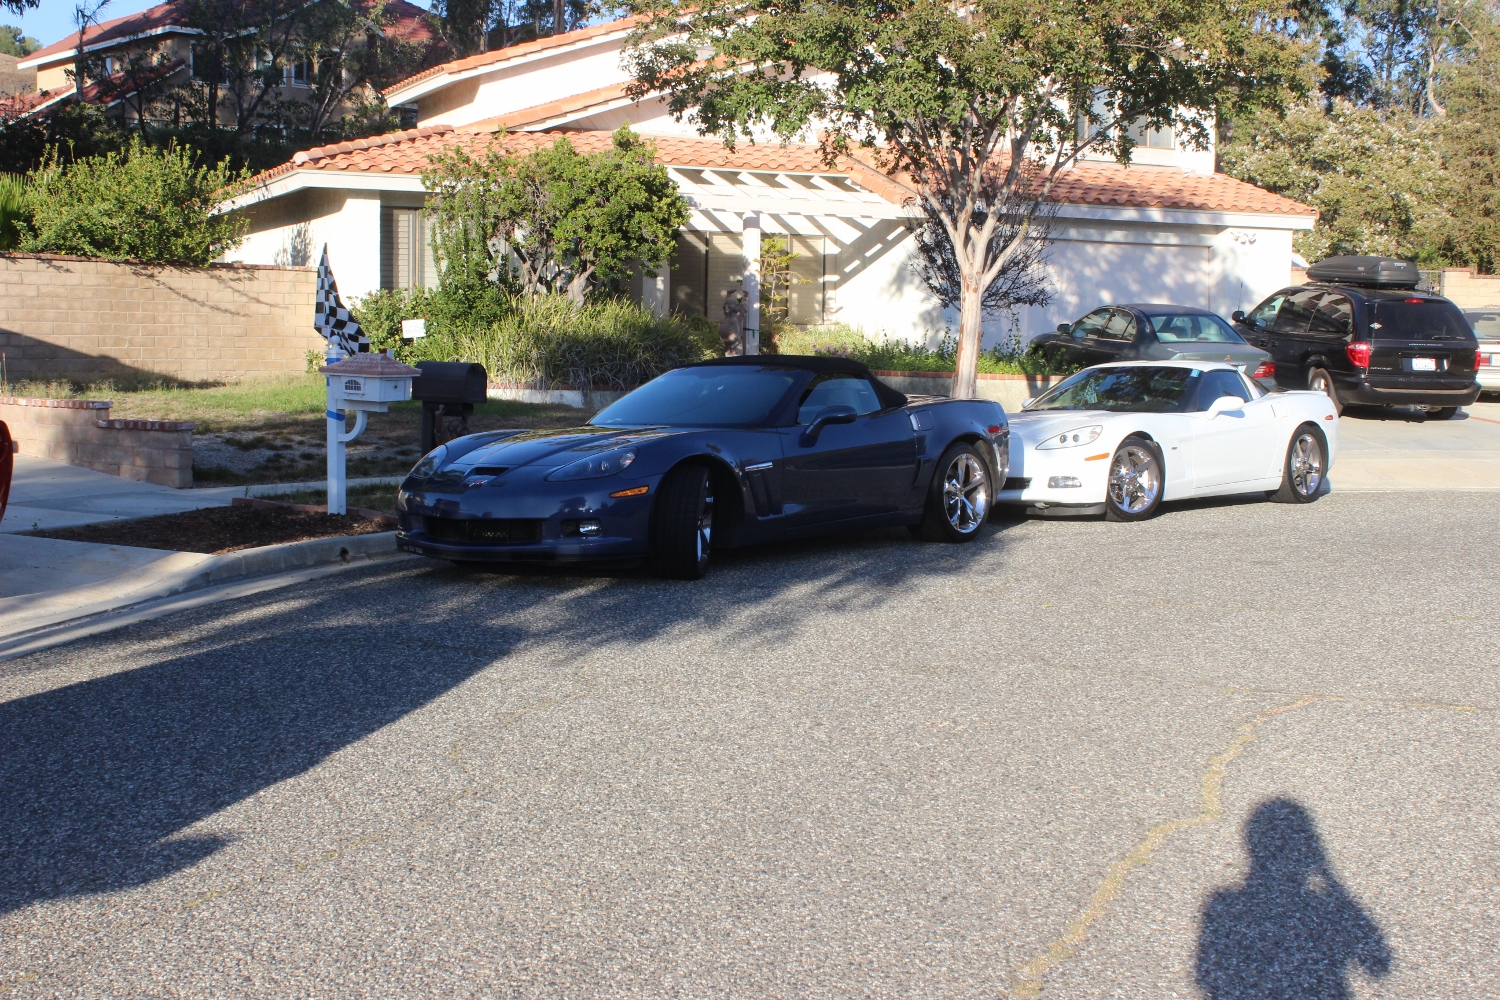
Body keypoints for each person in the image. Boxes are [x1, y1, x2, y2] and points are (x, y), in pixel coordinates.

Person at [1196, 799, 1390, 1000]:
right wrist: (1330, 880)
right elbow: (1377, 963)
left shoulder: (1223, 906)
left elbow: (1205, 976)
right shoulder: (1325, 909)